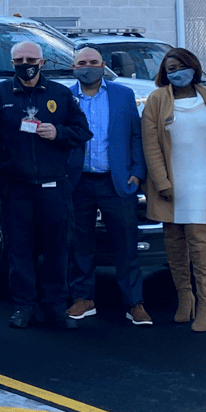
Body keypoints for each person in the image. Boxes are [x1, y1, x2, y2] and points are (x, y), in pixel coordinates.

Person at [0, 41, 91, 330]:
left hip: (54, 185)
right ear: (12, 62)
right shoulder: (0, 94)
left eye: (31, 59)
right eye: (20, 59)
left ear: (42, 63)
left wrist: (58, 132)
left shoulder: (60, 94)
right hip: (15, 186)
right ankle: (24, 306)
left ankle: (55, 306)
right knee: (20, 249)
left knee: (56, 249)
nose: (25, 63)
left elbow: (82, 131)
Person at [65, 48, 150, 325]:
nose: (87, 67)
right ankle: (83, 298)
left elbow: (136, 136)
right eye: (82, 63)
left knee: (126, 243)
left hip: (116, 181)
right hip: (78, 182)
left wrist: (137, 172)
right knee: (79, 244)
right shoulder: (65, 96)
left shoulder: (122, 95)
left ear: (103, 66)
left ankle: (134, 302)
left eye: (93, 63)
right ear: (73, 67)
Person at [140, 48, 206, 332]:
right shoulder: (157, 99)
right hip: (171, 182)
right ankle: (184, 298)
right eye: (171, 68)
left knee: (201, 243)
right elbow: (150, 144)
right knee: (174, 242)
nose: (177, 73)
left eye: (181, 67)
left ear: (193, 67)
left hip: (204, 178)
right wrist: (161, 182)